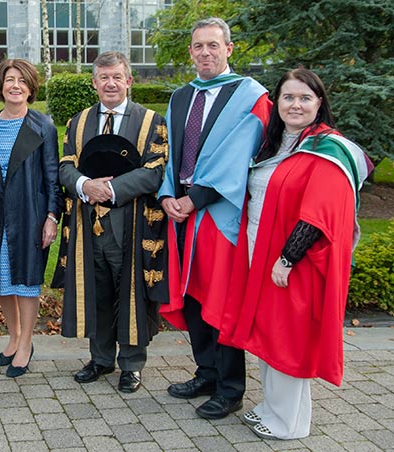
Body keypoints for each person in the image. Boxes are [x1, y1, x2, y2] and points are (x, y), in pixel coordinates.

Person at [218, 68, 370, 439]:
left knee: (287, 338)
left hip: (292, 263)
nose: (296, 105)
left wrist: (287, 259)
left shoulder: (328, 149)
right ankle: (272, 408)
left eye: (305, 98)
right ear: (277, 102)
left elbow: (319, 215)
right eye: (288, 97)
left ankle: (289, 423)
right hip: (260, 250)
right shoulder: (277, 144)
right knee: (267, 333)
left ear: (319, 103)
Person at [157, 17, 272, 419]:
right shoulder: (180, 97)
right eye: (198, 46)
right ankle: (205, 373)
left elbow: (239, 154)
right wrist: (169, 193)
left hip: (220, 210)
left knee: (222, 297)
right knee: (192, 295)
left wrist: (196, 198)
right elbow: (172, 153)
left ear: (229, 49)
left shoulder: (251, 95)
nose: (204, 52)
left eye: (212, 45)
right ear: (190, 51)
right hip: (182, 210)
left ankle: (231, 388)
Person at [56, 51, 168, 393]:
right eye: (104, 77)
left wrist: (110, 189)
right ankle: (101, 359)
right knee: (97, 291)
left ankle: (131, 365)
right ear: (94, 83)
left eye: (117, 77)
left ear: (129, 81)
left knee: (130, 293)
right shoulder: (79, 122)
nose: (111, 83)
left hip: (131, 224)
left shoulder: (151, 122)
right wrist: (84, 186)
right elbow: (64, 166)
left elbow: (155, 171)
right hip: (89, 226)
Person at [0, 59, 61, 378]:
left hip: (30, 213)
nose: (15, 85)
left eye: (22, 81)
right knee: (3, 280)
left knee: (26, 282)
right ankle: (13, 337)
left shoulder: (43, 126)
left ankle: (27, 342)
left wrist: (52, 216)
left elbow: (52, 176)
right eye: (9, 79)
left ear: (31, 87)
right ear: (1, 85)